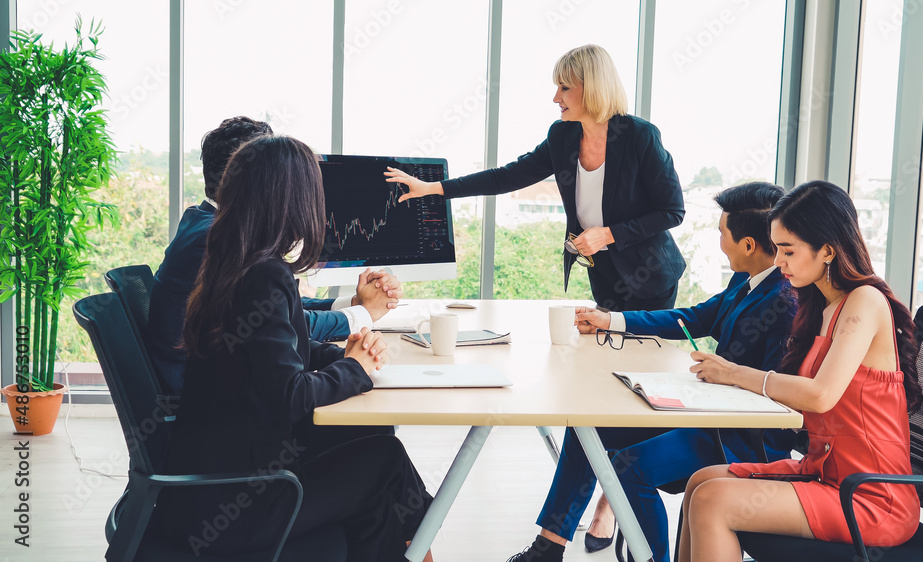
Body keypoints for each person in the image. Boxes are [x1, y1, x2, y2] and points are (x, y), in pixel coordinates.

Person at [157, 135, 432, 561]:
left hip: (211, 487)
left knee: (373, 450)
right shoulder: (265, 275)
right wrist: (355, 369)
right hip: (237, 504)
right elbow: (289, 397)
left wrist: (344, 356)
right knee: (385, 460)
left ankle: (415, 546)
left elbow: (279, 355)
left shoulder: (232, 261)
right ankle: (426, 542)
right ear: (293, 201)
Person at [505, 182, 796, 562]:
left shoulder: (785, 301)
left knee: (632, 471)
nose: (719, 243)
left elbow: (777, 392)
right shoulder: (746, 280)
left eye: (722, 234)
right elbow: (692, 318)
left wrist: (724, 376)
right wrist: (613, 320)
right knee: (585, 424)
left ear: (748, 245)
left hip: (737, 438)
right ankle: (548, 548)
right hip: (708, 413)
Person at [678, 181, 923, 562]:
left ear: (827, 250)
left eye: (787, 250)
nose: (778, 261)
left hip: (871, 496)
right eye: (777, 249)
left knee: (712, 500)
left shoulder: (865, 302)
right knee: (700, 481)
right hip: (826, 473)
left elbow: (821, 394)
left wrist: (736, 373)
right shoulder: (821, 307)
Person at [385, 44, 686, 312]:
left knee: (641, 366)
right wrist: (433, 188)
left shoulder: (639, 136)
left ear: (593, 88)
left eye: (565, 88)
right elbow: (507, 177)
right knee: (607, 361)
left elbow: (672, 211)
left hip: (650, 278)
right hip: (606, 277)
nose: (556, 97)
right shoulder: (563, 135)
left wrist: (608, 234)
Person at [147, 116, 402, 395]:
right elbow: (275, 325)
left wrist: (351, 305)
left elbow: (276, 312)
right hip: (203, 395)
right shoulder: (212, 240)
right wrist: (362, 315)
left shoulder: (207, 223)